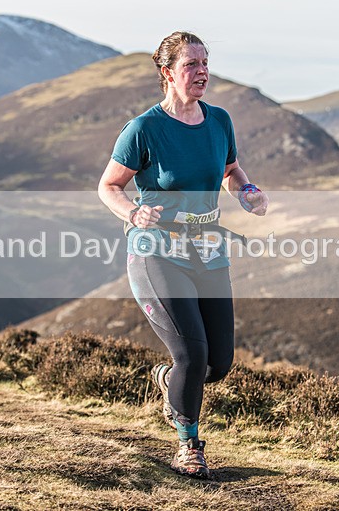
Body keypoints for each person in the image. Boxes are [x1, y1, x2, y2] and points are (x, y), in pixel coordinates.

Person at [97, 31, 268, 479]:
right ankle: (188, 445)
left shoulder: (219, 121)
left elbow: (231, 170)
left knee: (219, 362)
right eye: (191, 64)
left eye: (205, 63)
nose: (202, 72)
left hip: (208, 248)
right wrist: (134, 213)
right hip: (157, 250)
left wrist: (246, 192)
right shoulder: (144, 130)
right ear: (167, 72)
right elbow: (109, 186)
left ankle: (169, 380)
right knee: (192, 356)